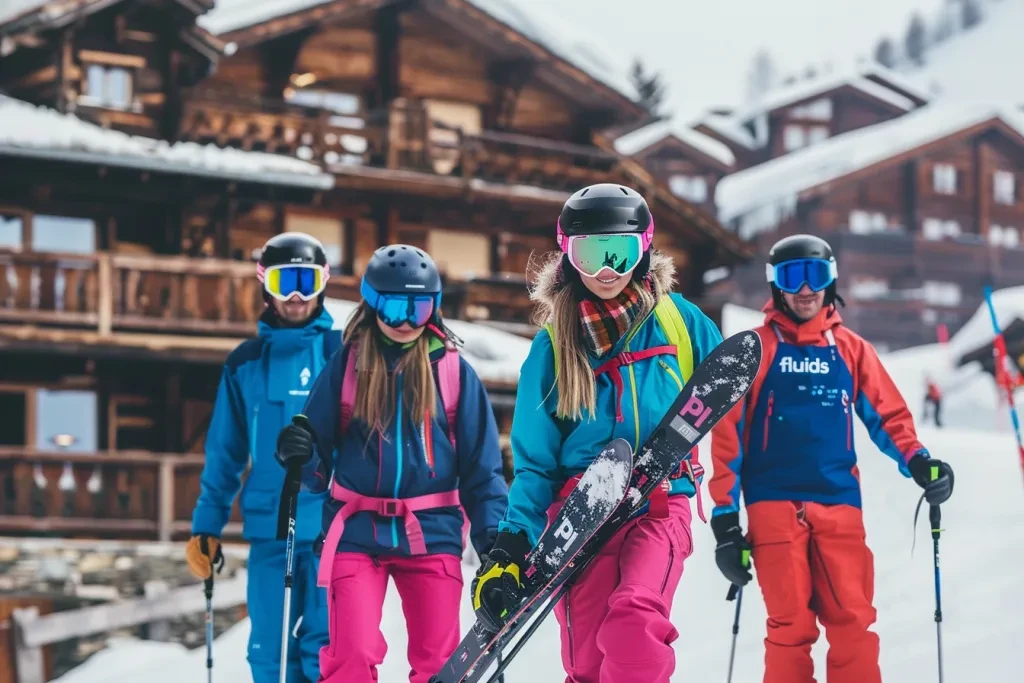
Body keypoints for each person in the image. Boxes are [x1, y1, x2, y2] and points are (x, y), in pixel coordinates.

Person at [471, 184, 725, 683]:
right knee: (587, 666)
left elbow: (726, 389)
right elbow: (534, 464)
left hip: (657, 503)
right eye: (591, 255)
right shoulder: (552, 349)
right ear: (568, 255)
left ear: (644, 249)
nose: (607, 270)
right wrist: (510, 548)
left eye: (620, 252)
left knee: (633, 624)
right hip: (580, 519)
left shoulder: (678, 322)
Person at [708, 234, 955, 683]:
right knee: (790, 628)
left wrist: (919, 461)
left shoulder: (851, 349)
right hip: (773, 505)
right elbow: (727, 439)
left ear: (831, 280)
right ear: (775, 286)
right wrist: (725, 523)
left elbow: (889, 416)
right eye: (792, 277)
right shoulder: (755, 349)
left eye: (815, 276)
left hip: (839, 502)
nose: (805, 289)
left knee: (853, 622)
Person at [273, 244, 509, 683]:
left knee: (441, 664)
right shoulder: (346, 367)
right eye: (393, 308)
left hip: (432, 532)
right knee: (351, 657)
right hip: (357, 533)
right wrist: (300, 452)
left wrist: (493, 539)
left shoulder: (454, 374)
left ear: (433, 309)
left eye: (417, 309)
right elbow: (316, 463)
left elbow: (482, 472)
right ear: (372, 304)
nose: (404, 322)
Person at [186, 232, 338, 683]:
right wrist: (206, 526)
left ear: (323, 282)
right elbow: (225, 453)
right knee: (269, 655)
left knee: (325, 651)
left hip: (332, 532)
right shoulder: (244, 364)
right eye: (282, 281)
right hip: (271, 530)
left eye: (305, 281)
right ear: (264, 284)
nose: (294, 295)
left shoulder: (341, 355)